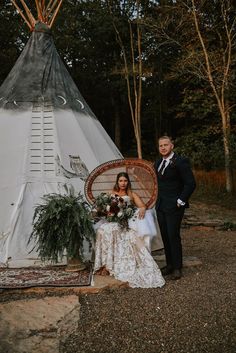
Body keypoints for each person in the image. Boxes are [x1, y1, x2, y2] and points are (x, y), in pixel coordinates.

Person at [93, 172, 165, 288]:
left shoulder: (132, 194)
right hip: (113, 220)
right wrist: (107, 213)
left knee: (115, 231)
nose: (123, 183)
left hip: (125, 222)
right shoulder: (111, 194)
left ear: (128, 182)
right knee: (102, 229)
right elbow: (104, 208)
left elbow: (142, 205)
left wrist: (142, 209)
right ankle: (105, 264)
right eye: (121, 181)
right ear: (117, 182)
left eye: (125, 181)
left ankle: (112, 265)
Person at [155, 136, 196, 280]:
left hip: (174, 205)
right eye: (161, 145)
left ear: (172, 146)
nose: (163, 148)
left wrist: (181, 200)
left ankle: (178, 268)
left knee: (173, 236)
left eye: (166, 145)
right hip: (160, 205)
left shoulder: (180, 162)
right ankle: (170, 265)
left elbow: (190, 184)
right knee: (165, 236)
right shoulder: (158, 162)